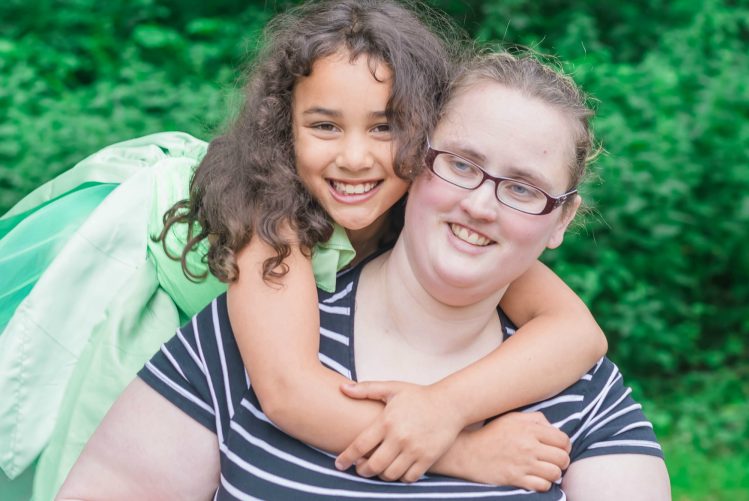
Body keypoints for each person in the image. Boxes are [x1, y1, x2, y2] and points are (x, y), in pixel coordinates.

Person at [0, 1, 604, 497]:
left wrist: (445, 404)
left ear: (427, 131)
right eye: (324, 126)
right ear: (284, 128)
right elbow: (290, 394)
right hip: (155, 335)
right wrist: (462, 448)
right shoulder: (269, 212)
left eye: (385, 126)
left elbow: (577, 334)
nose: (355, 157)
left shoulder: (427, 204)